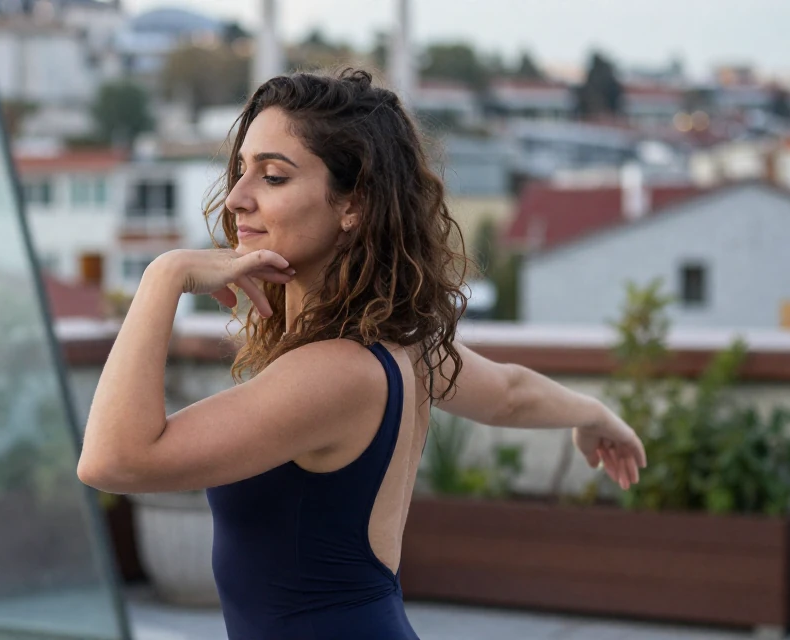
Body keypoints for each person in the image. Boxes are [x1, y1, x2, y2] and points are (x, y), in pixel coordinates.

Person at [77, 68, 647, 640]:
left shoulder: (333, 372)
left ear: (354, 205)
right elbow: (509, 395)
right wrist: (596, 416)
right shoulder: (399, 345)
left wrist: (162, 276)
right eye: (240, 170)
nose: (237, 198)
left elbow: (112, 460)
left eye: (273, 176)